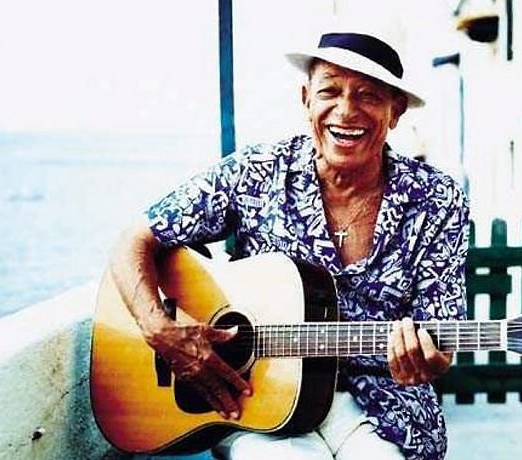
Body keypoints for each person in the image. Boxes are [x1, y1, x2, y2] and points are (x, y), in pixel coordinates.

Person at [109, 20, 469, 460]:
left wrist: (427, 361)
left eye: (369, 96)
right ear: (306, 99)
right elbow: (134, 241)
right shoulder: (255, 173)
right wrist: (160, 329)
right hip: (257, 400)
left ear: (395, 112)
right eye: (330, 91)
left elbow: (439, 338)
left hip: (383, 405)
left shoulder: (437, 198)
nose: (346, 111)